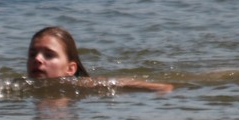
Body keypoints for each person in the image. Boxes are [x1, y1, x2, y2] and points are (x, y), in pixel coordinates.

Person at [26, 27, 173, 93]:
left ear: (70, 69)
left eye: (49, 55)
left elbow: (116, 83)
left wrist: (156, 87)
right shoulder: (21, 86)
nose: (37, 59)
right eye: (32, 54)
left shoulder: (78, 85)